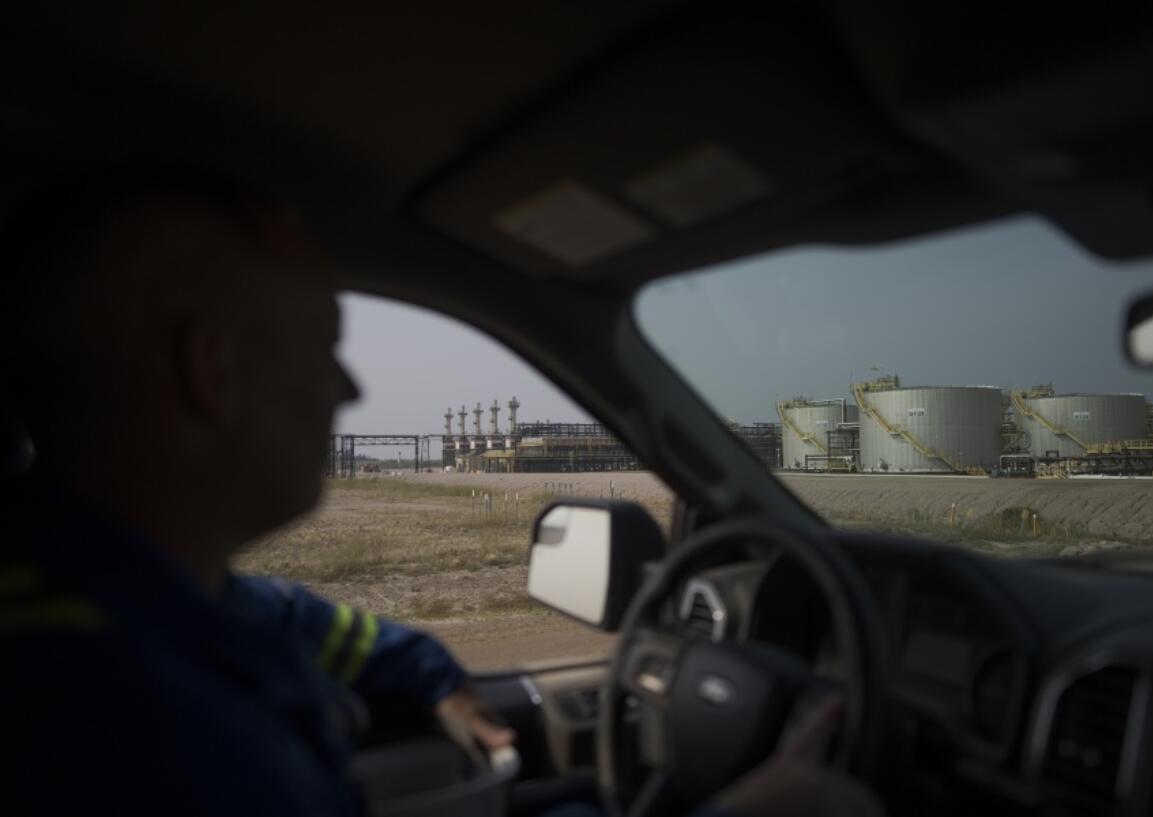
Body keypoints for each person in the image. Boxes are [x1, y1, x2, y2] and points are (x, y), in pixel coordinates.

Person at [0, 168, 880, 816]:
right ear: (214, 373)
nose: (347, 389)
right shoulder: (121, 729)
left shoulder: (152, 591)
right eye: (322, 345)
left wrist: (434, 676)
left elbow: (314, 623)